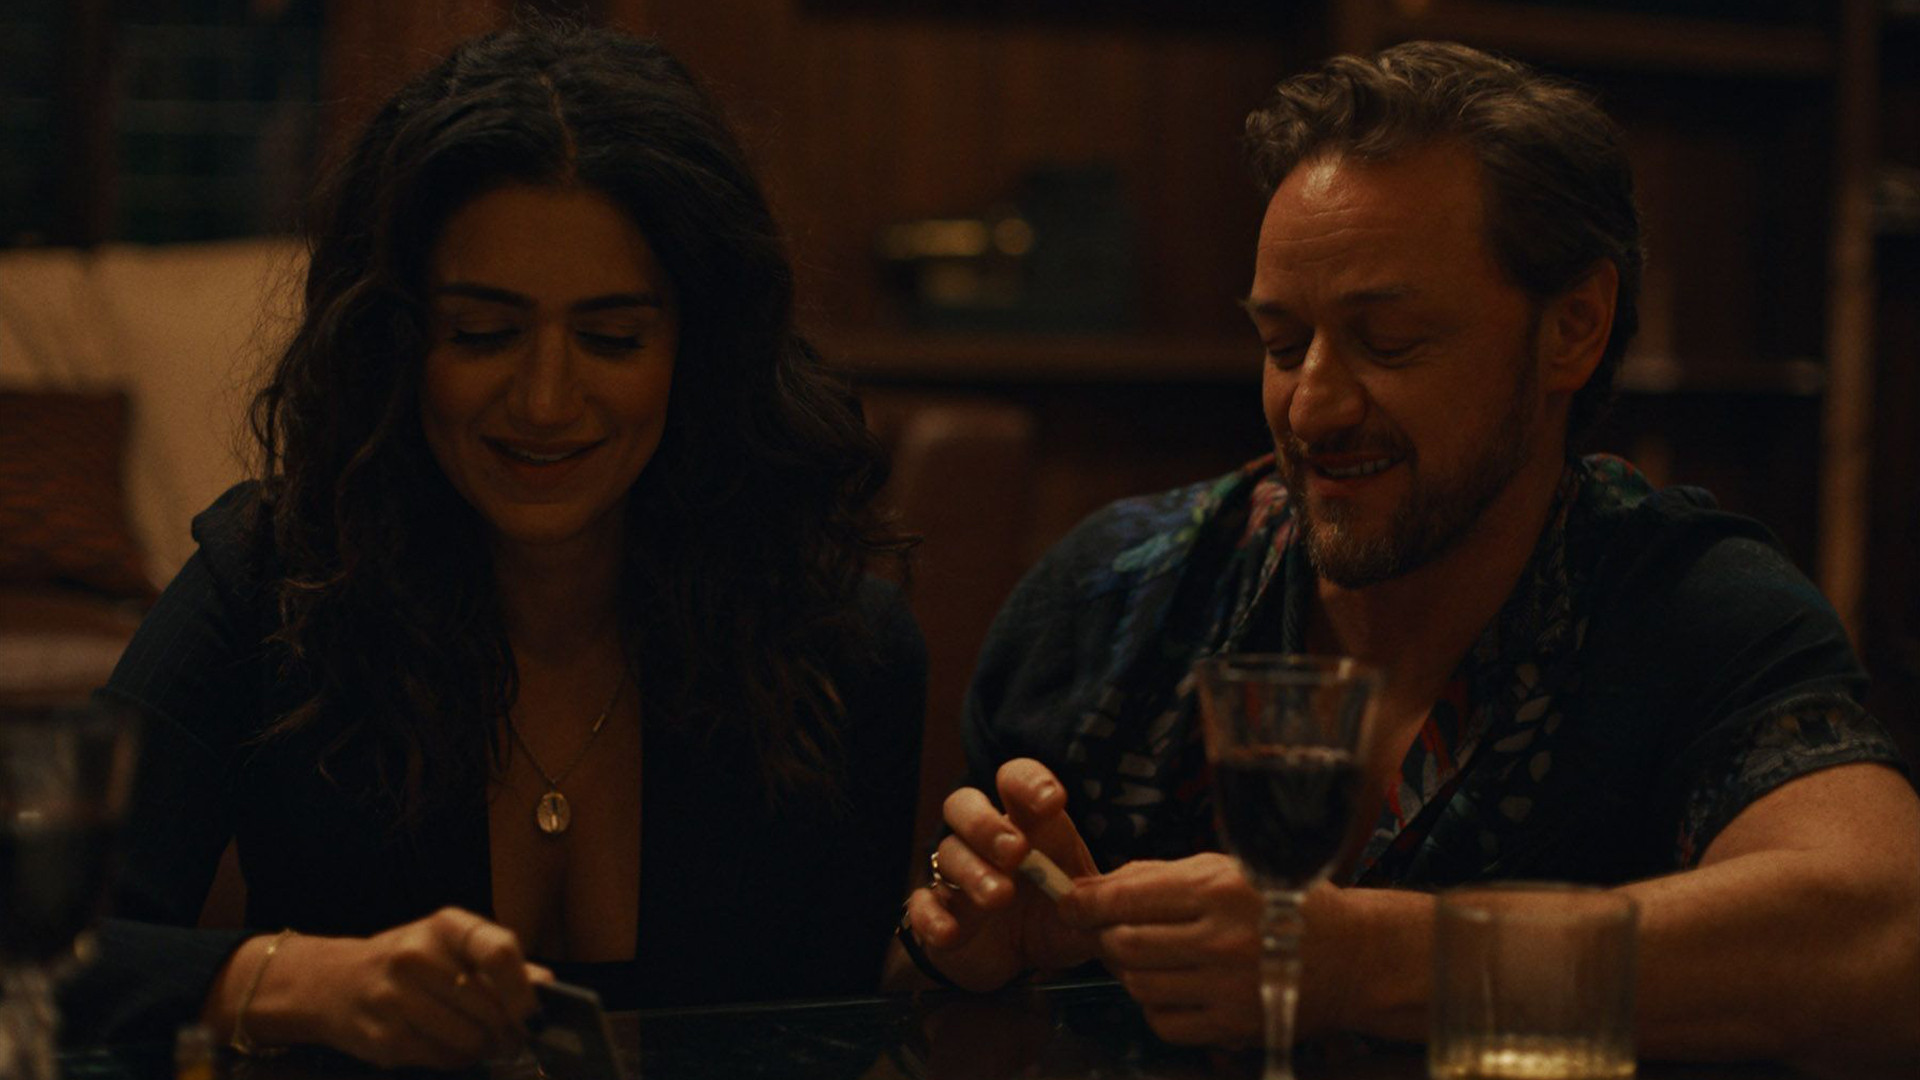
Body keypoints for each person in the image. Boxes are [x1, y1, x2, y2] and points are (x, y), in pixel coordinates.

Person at [897, 41, 1920, 1063]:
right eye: (1282, 344)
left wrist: (1365, 961)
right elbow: (895, 980)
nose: (1312, 408)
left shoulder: (1686, 609)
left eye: (1388, 342)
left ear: (1574, 327)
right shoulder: (1109, 597)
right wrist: (973, 954)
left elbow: (1887, 941)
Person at [65, 22, 926, 1069]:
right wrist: (289, 980)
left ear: (698, 348)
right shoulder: (276, 584)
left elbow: (834, 1032)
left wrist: (959, 960)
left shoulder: (839, 646)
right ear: (396, 338)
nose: (546, 401)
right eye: (483, 333)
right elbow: (35, 944)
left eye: (611, 338)